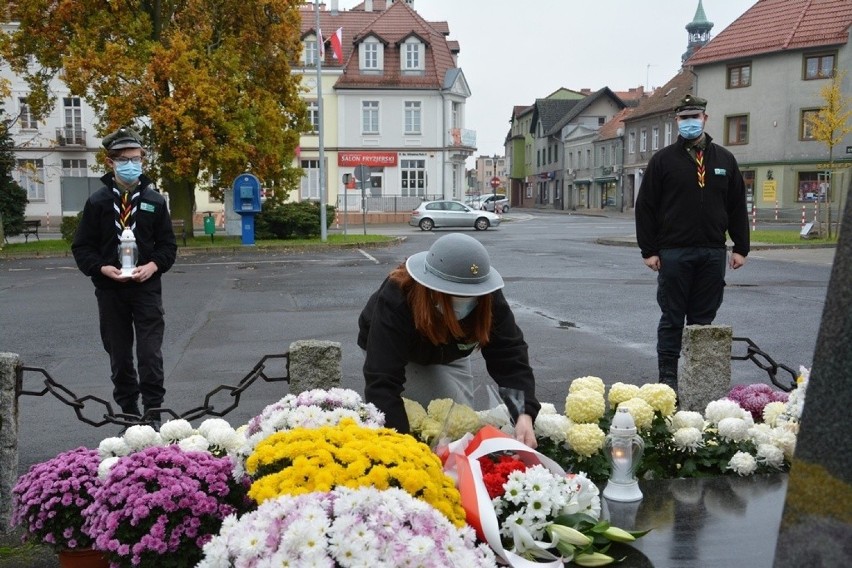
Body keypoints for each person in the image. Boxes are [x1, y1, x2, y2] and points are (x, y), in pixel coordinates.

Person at [358, 232, 540, 447]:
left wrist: (523, 414)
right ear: (432, 289)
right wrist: (402, 451)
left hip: (451, 351)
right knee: (412, 418)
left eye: (471, 296)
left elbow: (509, 354)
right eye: (454, 296)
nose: (464, 303)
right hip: (400, 351)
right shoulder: (398, 297)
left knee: (457, 424)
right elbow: (383, 379)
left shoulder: (488, 297)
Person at [635, 94, 750, 390]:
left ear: (705, 119)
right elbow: (645, 206)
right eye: (684, 118)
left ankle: (698, 375)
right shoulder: (662, 161)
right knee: (672, 317)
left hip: (712, 252)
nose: (689, 122)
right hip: (674, 252)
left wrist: (740, 247)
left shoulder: (724, 159)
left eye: (694, 117)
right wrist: (649, 250)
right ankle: (668, 378)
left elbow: (737, 205)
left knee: (703, 319)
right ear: (677, 121)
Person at [72, 126, 177, 427]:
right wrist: (101, 268)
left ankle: (153, 412)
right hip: (110, 290)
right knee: (119, 355)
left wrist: (154, 265)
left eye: (136, 158)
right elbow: (82, 247)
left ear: (143, 159)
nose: (131, 164)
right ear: (111, 162)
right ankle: (129, 412)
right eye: (124, 159)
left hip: (146, 289)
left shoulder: (155, 201)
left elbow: (168, 246)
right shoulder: (98, 202)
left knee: (149, 353)